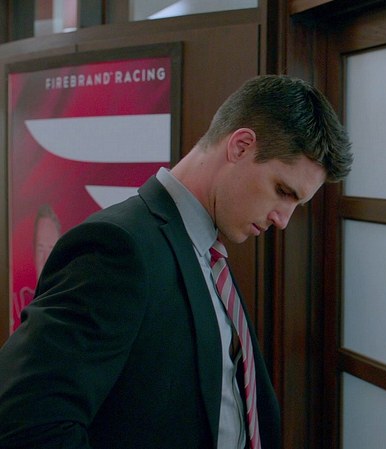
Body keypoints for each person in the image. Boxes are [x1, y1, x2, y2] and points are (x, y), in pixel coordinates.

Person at [0, 75, 352, 449]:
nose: (283, 219)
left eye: (297, 204)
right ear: (241, 146)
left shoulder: (207, 249)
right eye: (282, 191)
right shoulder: (119, 248)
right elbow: (27, 423)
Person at [11, 203, 62, 332]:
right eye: (40, 249)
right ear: (33, 251)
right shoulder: (16, 303)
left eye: (51, 249)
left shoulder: (69, 303)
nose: (45, 258)